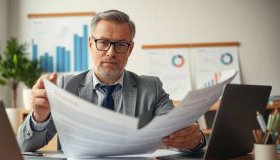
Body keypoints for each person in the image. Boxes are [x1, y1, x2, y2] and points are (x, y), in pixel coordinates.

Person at [17, 9, 205, 152]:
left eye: (120, 44)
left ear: (130, 49)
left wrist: (194, 139)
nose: (111, 52)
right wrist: (39, 117)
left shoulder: (152, 88)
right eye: (103, 42)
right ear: (91, 44)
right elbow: (24, 145)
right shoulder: (65, 87)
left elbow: (175, 130)